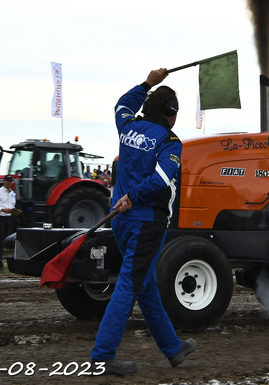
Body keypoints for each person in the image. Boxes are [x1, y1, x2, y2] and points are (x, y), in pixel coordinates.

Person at [90, 68, 195, 376]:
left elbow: (122, 104)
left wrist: (148, 82)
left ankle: (173, 349)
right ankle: (103, 355)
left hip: (122, 222)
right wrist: (135, 196)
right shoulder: (170, 142)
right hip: (146, 223)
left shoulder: (128, 126)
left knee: (144, 285)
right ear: (171, 113)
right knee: (128, 285)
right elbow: (162, 179)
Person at [0, 175, 20, 272]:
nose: (10, 183)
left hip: (7, 218)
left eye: (11, 181)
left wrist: (15, 211)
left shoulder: (12, 193)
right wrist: (2, 209)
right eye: (8, 181)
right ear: (4, 181)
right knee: (0, 242)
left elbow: (11, 205)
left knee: (3, 242)